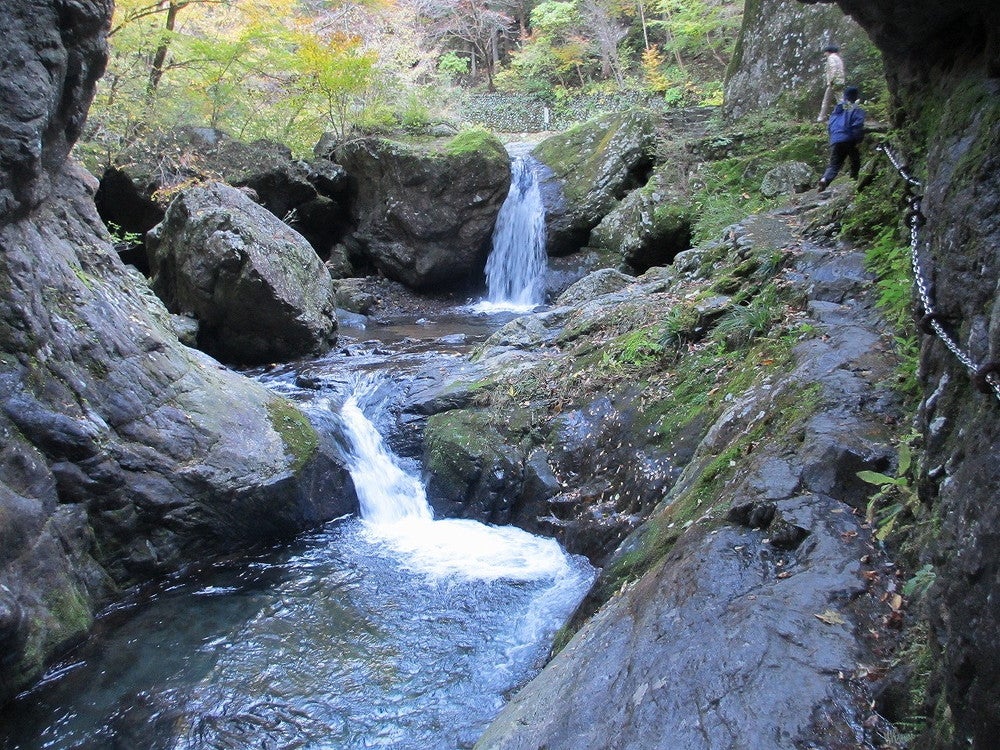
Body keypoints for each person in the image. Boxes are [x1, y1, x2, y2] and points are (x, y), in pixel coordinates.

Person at [818, 86, 866, 192]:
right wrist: (858, 140)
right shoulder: (856, 109)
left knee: (834, 164)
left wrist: (833, 138)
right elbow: (857, 125)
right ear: (855, 97)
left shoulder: (837, 110)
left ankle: (824, 179)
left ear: (844, 97)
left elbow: (830, 126)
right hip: (849, 139)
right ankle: (854, 181)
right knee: (855, 160)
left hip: (835, 139)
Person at [817, 45, 845, 122]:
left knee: (826, 100)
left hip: (834, 82)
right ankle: (847, 114)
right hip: (840, 81)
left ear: (828, 52)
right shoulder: (838, 58)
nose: (824, 54)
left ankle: (821, 117)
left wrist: (831, 80)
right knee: (841, 99)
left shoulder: (831, 58)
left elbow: (833, 68)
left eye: (825, 52)